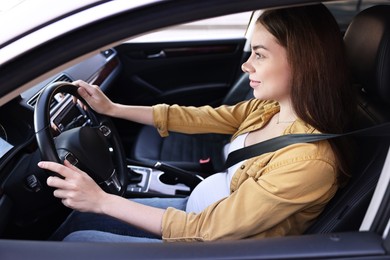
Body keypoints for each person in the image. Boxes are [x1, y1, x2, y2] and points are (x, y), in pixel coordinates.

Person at [38, 3, 356, 242]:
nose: (247, 65)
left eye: (259, 55)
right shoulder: (268, 108)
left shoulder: (309, 162)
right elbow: (199, 117)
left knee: (80, 240)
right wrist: (113, 108)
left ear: (303, 62)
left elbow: (207, 231)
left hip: (211, 246)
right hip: (198, 211)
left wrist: (102, 200)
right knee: (80, 219)